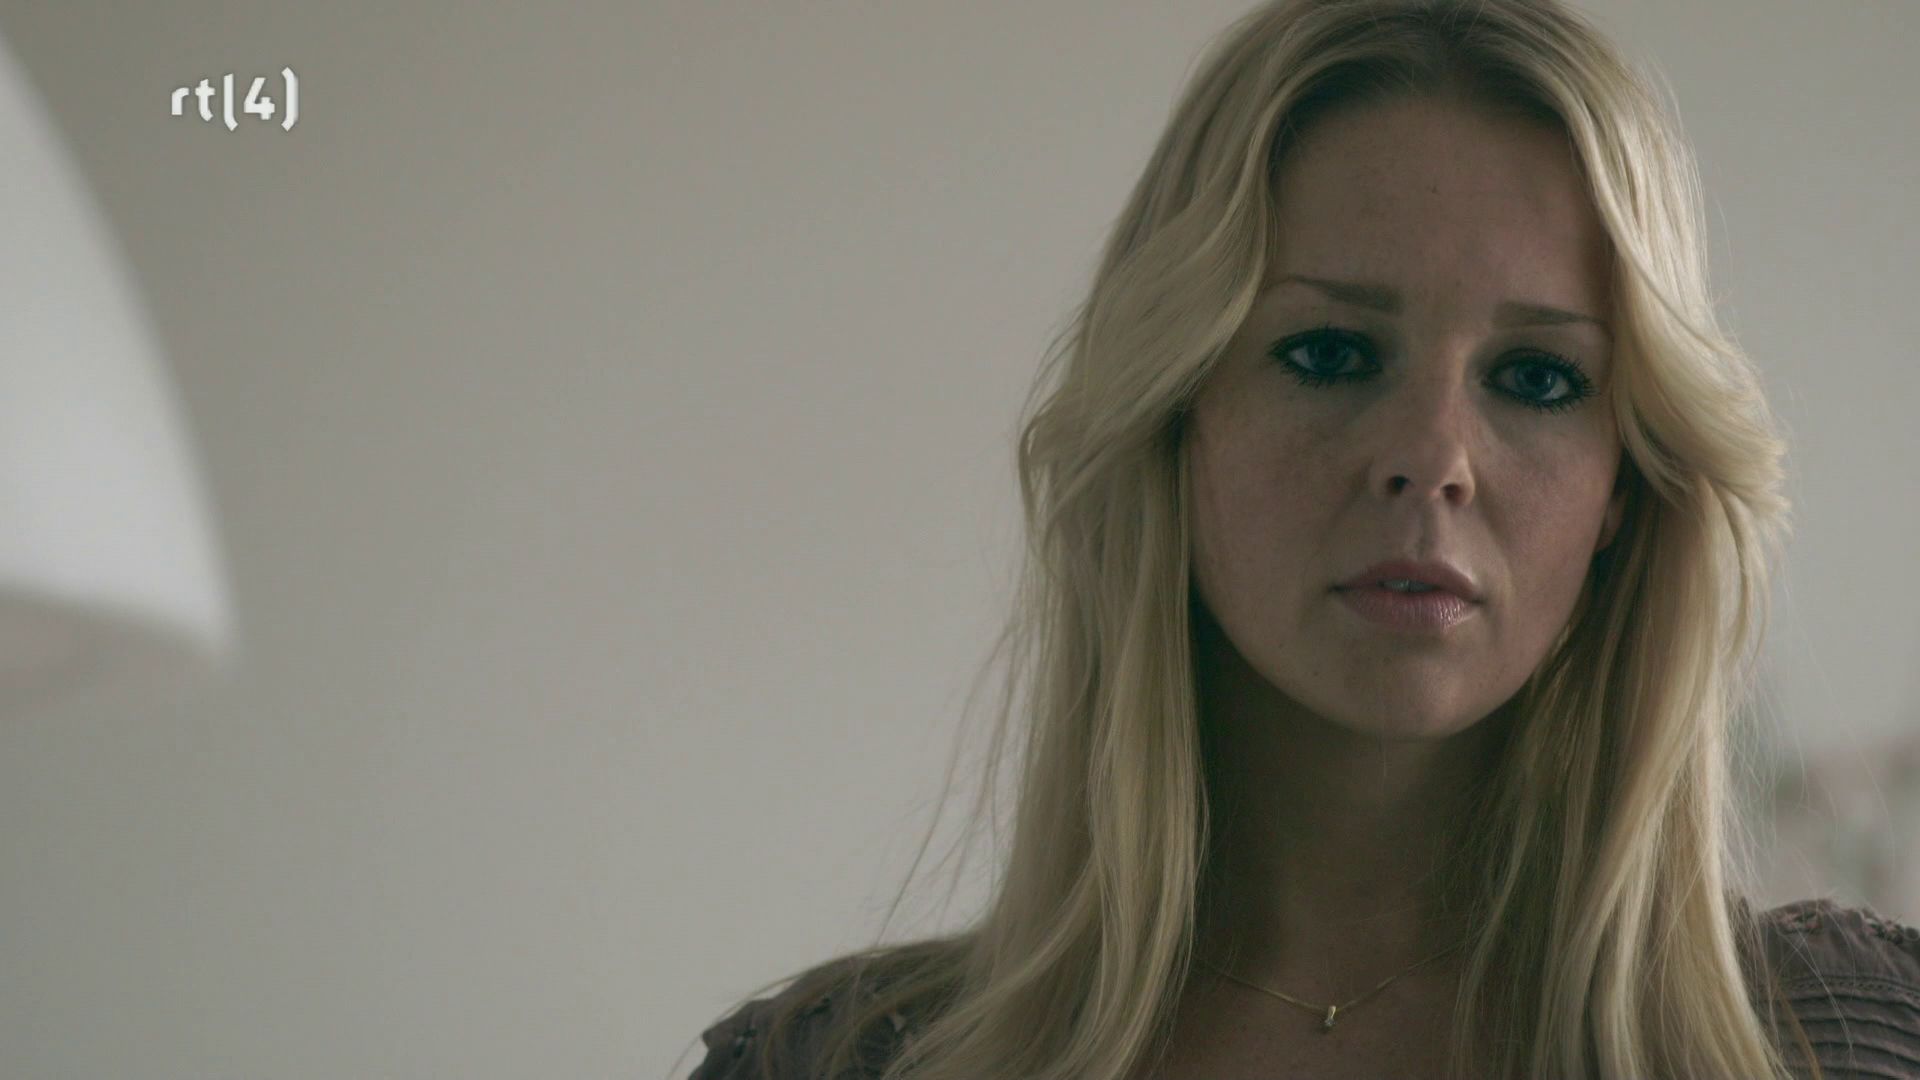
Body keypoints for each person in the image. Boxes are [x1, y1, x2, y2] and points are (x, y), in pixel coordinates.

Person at [678, 1, 1920, 1077]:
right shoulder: (837, 1063)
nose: (1431, 458)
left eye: (1538, 378)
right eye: (1330, 353)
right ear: (1176, 418)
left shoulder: (1849, 1042)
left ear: (1626, 488)